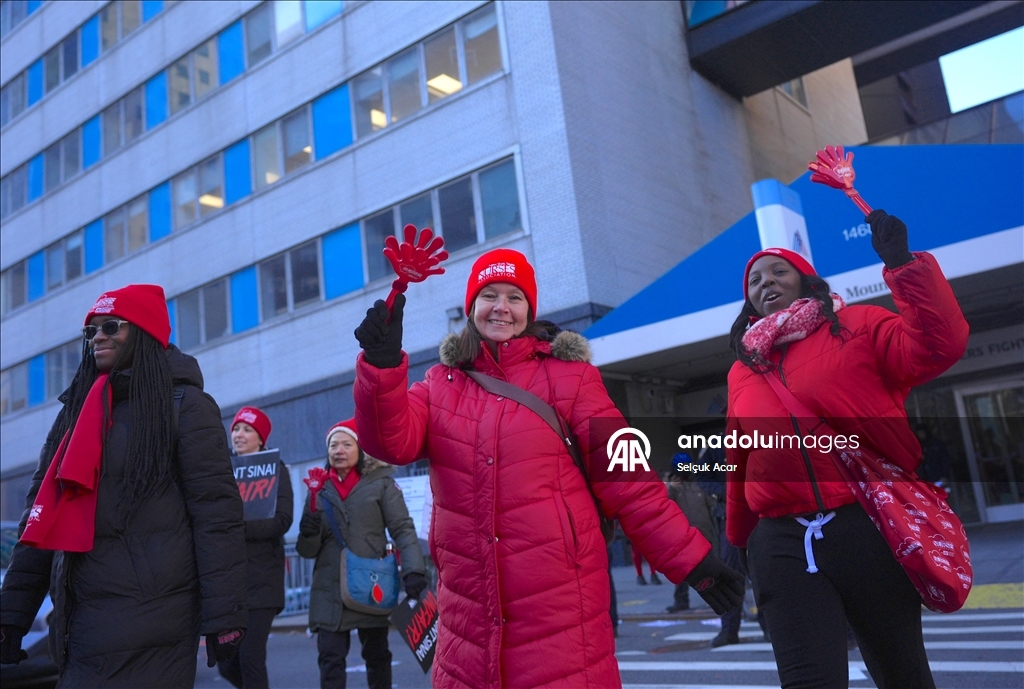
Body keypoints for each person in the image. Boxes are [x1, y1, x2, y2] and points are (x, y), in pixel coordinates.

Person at [352, 248, 744, 687]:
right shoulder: (440, 387)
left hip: (562, 620)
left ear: (530, 310)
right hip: (469, 630)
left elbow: (630, 481)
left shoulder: (571, 378)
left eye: (514, 297)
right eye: (489, 295)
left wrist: (693, 560)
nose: (501, 307)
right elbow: (389, 441)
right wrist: (382, 370)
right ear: (471, 308)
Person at [725, 211, 969, 688]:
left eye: (779, 271)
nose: (765, 282)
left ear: (806, 282)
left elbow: (940, 345)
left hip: (866, 524)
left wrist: (903, 266)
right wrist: (737, 542)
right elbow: (742, 457)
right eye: (754, 279)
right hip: (780, 541)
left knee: (902, 673)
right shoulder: (742, 369)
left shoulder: (857, 325)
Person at [0, 284, 248, 687]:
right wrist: (12, 614)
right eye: (92, 330)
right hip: (78, 619)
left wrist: (227, 616)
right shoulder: (75, 414)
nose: (99, 336)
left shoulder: (186, 408)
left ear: (144, 334)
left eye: (112, 326)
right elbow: (40, 517)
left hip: (155, 615)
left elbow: (216, 516)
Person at [297, 419, 426, 689]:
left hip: (371, 583)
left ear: (360, 450)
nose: (339, 450)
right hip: (329, 590)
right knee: (330, 659)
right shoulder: (317, 490)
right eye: (333, 445)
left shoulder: (381, 485)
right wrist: (307, 530)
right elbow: (307, 552)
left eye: (346, 444)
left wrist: (413, 570)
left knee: (377, 656)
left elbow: (402, 529)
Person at [218, 406, 294, 689]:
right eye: (236, 428)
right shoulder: (220, 471)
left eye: (247, 429)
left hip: (262, 581)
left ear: (261, 439)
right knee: (226, 663)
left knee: (250, 658)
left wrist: (239, 528)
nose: (239, 434)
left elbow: (282, 520)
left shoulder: (276, 469)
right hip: (228, 581)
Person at [665, 454, 718, 614]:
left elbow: (712, 505)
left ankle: (715, 599)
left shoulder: (700, 483)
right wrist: (670, 489)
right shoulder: (673, 486)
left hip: (705, 533)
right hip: (682, 535)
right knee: (681, 569)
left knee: (709, 568)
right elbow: (663, 505)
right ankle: (681, 600)